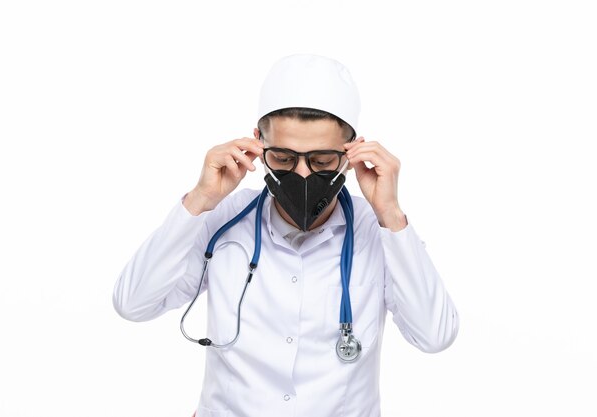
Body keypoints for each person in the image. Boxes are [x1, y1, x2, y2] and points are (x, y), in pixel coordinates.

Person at [113, 53, 459, 417]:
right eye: (283, 158)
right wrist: (199, 200)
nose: (303, 175)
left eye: (322, 161)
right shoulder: (222, 220)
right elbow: (134, 304)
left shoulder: (380, 233)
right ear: (257, 144)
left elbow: (434, 336)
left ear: (351, 151)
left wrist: (390, 214)